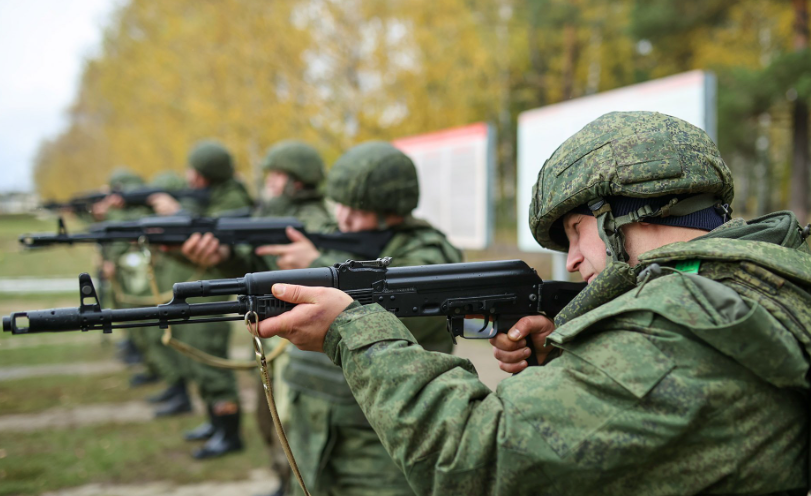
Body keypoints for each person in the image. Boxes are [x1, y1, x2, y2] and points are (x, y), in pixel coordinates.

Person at [254, 112, 810, 494]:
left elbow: (474, 458)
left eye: (575, 230)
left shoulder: (683, 329)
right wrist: (578, 355)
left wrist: (354, 332)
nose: (571, 261)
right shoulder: (768, 272)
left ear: (624, 211)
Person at [256, 141, 462, 496]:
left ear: (392, 208)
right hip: (313, 426)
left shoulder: (429, 252)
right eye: (342, 205)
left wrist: (316, 262)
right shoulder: (342, 240)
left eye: (359, 209)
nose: (344, 218)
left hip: (379, 437)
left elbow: (398, 306)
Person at [149, 140, 254, 459]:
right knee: (198, 360)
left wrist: (176, 214)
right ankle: (215, 422)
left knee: (211, 363)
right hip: (202, 291)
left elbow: (212, 239)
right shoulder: (210, 198)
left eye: (195, 172)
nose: (189, 177)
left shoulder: (231, 199)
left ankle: (228, 431)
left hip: (213, 294)